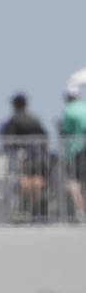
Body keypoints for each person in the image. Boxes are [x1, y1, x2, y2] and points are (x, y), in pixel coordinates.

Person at [0, 93, 49, 218]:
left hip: (20, 158)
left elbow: (7, 141)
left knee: (23, 182)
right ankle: (35, 210)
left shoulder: (13, 120)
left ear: (16, 105)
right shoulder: (34, 119)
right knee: (36, 181)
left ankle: (22, 209)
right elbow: (44, 138)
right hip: (36, 158)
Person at [59, 87, 86, 221]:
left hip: (75, 150)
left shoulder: (69, 110)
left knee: (73, 182)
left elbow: (64, 131)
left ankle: (80, 210)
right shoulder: (84, 107)